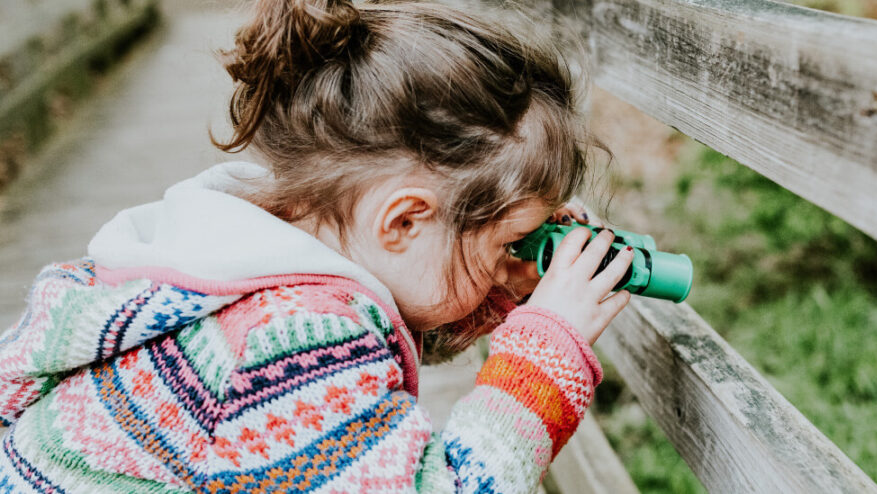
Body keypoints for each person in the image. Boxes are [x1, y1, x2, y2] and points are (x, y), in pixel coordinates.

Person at [0, 0, 636, 492]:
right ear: (405, 221)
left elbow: (383, 333)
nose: (516, 259)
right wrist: (545, 350)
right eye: (510, 242)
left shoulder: (245, 256)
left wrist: (500, 288)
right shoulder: (298, 339)